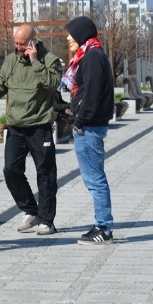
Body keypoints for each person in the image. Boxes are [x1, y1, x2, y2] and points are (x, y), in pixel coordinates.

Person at [0, 24, 62, 235]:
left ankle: (47, 220)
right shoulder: (12, 60)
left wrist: (35, 61)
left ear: (33, 41)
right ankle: (31, 210)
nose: (19, 47)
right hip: (15, 127)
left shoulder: (50, 60)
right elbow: (0, 85)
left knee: (46, 174)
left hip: (39, 126)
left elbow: (52, 84)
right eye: (16, 43)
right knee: (10, 170)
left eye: (22, 44)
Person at [62, 16, 115, 245]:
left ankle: (104, 228)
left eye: (71, 34)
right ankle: (101, 224)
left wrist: (80, 122)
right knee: (93, 178)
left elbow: (91, 95)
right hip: (89, 124)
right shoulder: (91, 54)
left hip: (89, 127)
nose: (67, 38)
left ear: (81, 34)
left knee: (95, 179)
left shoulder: (92, 57)